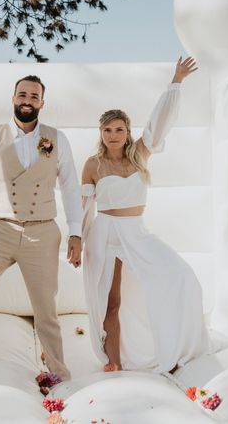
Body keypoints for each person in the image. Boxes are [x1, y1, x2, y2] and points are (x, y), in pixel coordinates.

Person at [81, 56, 209, 374]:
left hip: (135, 232)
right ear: (101, 133)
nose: (113, 134)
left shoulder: (139, 154)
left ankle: (175, 345)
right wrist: (75, 239)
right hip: (105, 233)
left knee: (181, 277)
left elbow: (159, 122)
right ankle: (113, 360)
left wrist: (176, 81)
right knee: (111, 300)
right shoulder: (93, 165)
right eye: (107, 130)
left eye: (119, 129)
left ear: (127, 132)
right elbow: (83, 208)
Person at [0, 75, 82, 381]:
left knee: (45, 308)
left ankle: (59, 374)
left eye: (34, 96)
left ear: (42, 102)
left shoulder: (56, 138)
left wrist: (75, 232)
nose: (27, 100)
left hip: (42, 230)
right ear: (13, 98)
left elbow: (69, 186)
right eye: (22, 94)